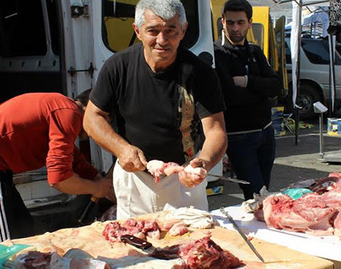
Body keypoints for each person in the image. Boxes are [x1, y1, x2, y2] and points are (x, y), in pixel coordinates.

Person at [83, 0, 227, 219]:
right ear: (137, 31)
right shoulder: (118, 67)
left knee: (194, 245)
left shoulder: (200, 73)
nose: (162, 40)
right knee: (136, 245)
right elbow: (92, 117)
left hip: (184, 177)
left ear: (183, 31)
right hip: (135, 178)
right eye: (153, 31)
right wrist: (121, 149)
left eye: (171, 31)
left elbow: (216, 130)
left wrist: (203, 163)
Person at [0, 91, 114, 243]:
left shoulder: (63, 109)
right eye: (106, 123)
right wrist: (95, 187)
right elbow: (59, 180)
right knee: (3, 245)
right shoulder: (68, 112)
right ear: (95, 112)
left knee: (24, 232)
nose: (103, 132)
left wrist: (96, 178)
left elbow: (71, 155)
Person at [213, 0, 282, 200]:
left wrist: (247, 81)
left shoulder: (255, 51)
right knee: (256, 195)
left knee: (263, 193)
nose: (235, 28)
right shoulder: (217, 54)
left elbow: (276, 86)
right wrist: (262, 91)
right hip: (239, 136)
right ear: (222, 22)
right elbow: (230, 96)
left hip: (266, 132)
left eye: (240, 23)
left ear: (250, 23)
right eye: (231, 22)